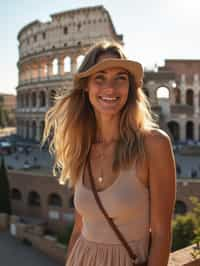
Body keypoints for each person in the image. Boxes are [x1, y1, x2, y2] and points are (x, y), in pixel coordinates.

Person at [43, 41, 176, 266]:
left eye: (120, 78)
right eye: (100, 78)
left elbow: (162, 234)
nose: (110, 89)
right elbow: (79, 228)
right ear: (86, 86)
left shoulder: (154, 144)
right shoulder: (82, 148)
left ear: (131, 87)